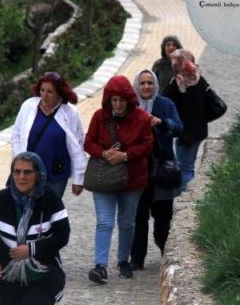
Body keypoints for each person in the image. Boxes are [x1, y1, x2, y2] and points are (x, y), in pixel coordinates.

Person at [84, 75, 154, 283]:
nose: (118, 104)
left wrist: (126, 155)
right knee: (104, 222)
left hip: (132, 179)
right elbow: (88, 142)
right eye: (114, 100)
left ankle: (123, 260)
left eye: (121, 100)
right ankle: (100, 265)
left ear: (129, 100)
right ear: (108, 100)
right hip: (104, 179)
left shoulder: (141, 118)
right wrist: (104, 153)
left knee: (126, 222)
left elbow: (148, 145)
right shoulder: (99, 117)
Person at [0, 151, 70, 305]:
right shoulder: (1, 199)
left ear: (38, 175)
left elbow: (62, 235)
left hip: (44, 274)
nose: (21, 177)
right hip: (6, 275)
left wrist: (31, 249)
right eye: (17, 172)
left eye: (27, 172)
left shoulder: (50, 199)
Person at [129, 69, 183, 271]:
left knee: (163, 218)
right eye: (142, 83)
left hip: (162, 171)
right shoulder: (131, 106)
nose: (146, 87)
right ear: (137, 85)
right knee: (138, 217)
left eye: (150, 83)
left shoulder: (165, 104)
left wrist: (162, 122)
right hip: (138, 171)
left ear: (155, 85)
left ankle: (165, 251)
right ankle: (137, 258)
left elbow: (179, 128)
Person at [11, 71, 87, 199]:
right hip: (29, 173)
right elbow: (17, 135)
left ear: (59, 93)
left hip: (56, 174)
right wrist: (19, 163)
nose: (45, 95)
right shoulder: (28, 106)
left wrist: (78, 179)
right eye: (42, 90)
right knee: (26, 212)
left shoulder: (70, 113)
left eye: (50, 92)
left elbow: (78, 144)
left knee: (50, 214)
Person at [162, 49, 216, 194]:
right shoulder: (199, 79)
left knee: (184, 169)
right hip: (199, 131)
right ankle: (189, 194)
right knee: (189, 166)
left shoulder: (178, 84)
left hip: (185, 134)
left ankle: (186, 198)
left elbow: (164, 101)